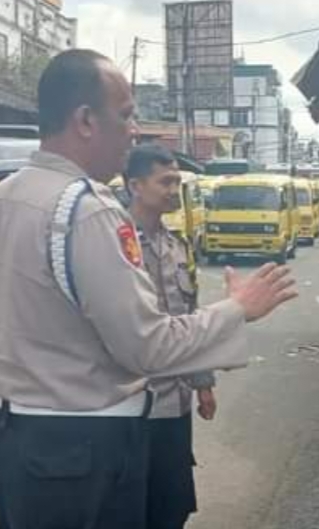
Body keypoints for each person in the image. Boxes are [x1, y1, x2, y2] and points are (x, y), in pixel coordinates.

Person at [0, 49, 298, 529]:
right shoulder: (87, 211)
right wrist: (237, 309)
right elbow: (147, 346)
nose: (134, 131)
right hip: (81, 455)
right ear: (85, 120)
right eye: (125, 116)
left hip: (11, 442)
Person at [124, 144, 216, 529]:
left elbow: (190, 317)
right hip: (132, 406)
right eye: (165, 182)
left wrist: (203, 383)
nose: (174, 189)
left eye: (176, 181)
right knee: (132, 507)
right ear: (135, 186)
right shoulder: (115, 245)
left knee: (172, 506)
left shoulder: (178, 246)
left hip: (175, 402)